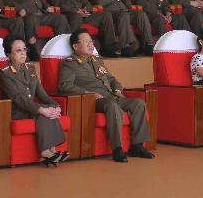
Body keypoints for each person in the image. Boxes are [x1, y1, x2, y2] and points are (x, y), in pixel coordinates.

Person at [59, 29, 154, 163]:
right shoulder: (70, 63)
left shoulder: (96, 60)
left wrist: (118, 89)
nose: (90, 45)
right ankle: (117, 148)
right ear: (75, 46)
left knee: (139, 104)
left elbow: (111, 79)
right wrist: (88, 94)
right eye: (86, 42)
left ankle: (137, 146)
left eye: (91, 42)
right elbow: (65, 86)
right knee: (112, 105)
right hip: (93, 100)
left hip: (112, 96)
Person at [0, 36, 68, 166]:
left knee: (50, 110)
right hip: (16, 110)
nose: (23, 53)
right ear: (8, 54)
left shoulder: (30, 68)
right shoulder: (4, 74)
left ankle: (52, 151)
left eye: (24, 49)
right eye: (18, 50)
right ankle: (46, 152)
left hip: (30, 108)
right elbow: (19, 99)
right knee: (43, 113)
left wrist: (55, 105)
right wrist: (41, 109)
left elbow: (41, 92)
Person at [0, 0, 69, 59]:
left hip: (41, 14)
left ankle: (58, 45)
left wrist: (47, 6)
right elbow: (7, 1)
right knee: (31, 18)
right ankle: (31, 47)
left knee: (61, 18)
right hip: (27, 15)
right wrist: (19, 9)